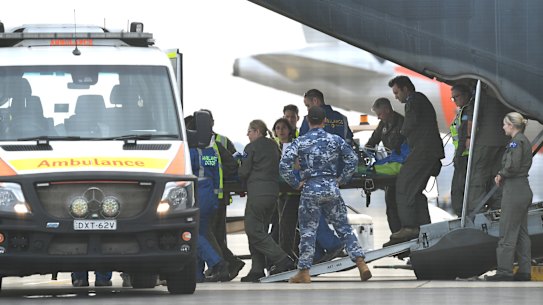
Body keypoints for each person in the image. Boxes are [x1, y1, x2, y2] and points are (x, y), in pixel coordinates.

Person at [280, 106, 371, 283]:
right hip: (331, 188)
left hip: (310, 189)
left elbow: (284, 165)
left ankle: (304, 272)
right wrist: (341, 179)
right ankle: (361, 263)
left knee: (308, 231)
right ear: (324, 121)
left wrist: (295, 183)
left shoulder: (300, 141)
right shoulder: (335, 139)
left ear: (307, 121)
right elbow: (352, 159)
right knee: (343, 228)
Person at [386, 76, 445, 243]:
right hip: (428, 151)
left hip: (424, 151)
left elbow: (409, 124)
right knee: (416, 191)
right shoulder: (420, 99)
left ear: (406, 89)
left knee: (404, 183)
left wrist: (398, 139)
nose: (396, 97)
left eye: (397, 92)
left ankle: (410, 227)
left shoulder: (413, 100)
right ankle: (424, 227)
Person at [239, 119, 295, 282]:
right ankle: (257, 269)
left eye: (249, 131)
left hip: (257, 194)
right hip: (272, 195)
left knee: (252, 230)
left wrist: (238, 168)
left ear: (256, 131)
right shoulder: (274, 146)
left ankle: (282, 259)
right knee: (260, 231)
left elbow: (244, 171)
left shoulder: (251, 148)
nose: (247, 135)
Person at [299, 89, 350, 262]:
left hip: (316, 176)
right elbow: (349, 145)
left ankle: (331, 244)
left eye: (307, 105)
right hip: (336, 175)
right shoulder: (342, 119)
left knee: (310, 214)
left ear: (315, 101)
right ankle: (320, 253)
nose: (307, 110)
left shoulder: (310, 121)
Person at [198, 109, 246, 281]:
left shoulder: (220, 142)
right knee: (213, 235)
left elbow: (234, 165)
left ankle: (225, 263)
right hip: (213, 196)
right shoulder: (204, 144)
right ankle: (220, 264)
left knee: (208, 234)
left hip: (217, 196)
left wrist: (219, 177)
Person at [485, 112, 533, 281]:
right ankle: (524, 271)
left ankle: (504, 271)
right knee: (521, 233)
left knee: (506, 231)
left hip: (514, 190)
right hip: (523, 189)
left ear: (511, 125)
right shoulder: (523, 141)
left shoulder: (516, 142)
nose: (503, 127)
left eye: (505, 124)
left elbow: (512, 165)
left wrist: (501, 174)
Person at [365, 97, 405, 236]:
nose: (378, 118)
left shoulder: (402, 123)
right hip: (391, 169)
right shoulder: (383, 125)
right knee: (391, 205)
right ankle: (396, 234)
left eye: (380, 114)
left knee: (401, 204)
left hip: (403, 169)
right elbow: (371, 144)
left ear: (387, 110)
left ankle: (405, 234)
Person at [273, 117, 300, 259]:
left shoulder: (296, 146)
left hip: (293, 191)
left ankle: (288, 257)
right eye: (278, 128)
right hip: (279, 192)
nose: (281, 131)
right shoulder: (272, 146)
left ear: (290, 130)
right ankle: (287, 257)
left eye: (284, 128)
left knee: (286, 226)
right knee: (281, 227)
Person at [448, 84, 474, 216]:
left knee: (459, 188)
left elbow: (464, 135)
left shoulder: (467, 111)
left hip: (465, 155)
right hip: (463, 154)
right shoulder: (463, 111)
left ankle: (461, 214)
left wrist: (458, 155)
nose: (455, 101)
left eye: (456, 97)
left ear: (465, 94)